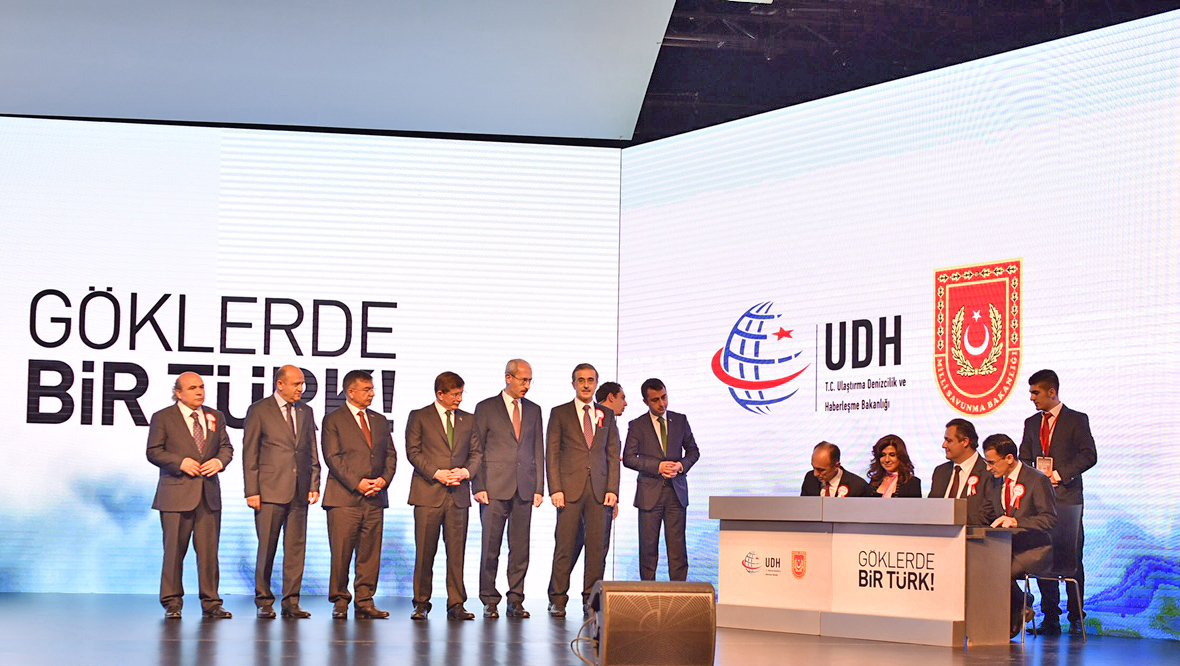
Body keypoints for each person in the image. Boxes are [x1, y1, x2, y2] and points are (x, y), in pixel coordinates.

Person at [146, 372, 234, 619]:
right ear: (179, 393)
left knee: (208, 553)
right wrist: (179, 462)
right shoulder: (163, 417)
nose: (199, 392)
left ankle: (212, 602)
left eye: (202, 387)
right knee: (174, 551)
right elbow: (153, 451)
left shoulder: (215, 416)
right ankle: (172, 603)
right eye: (193, 388)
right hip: (176, 495)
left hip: (208, 495)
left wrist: (219, 461)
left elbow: (226, 447)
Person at [1017, 369, 1097, 636]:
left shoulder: (1076, 419)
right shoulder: (1031, 423)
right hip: (1040, 503)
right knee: (1042, 558)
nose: (1031, 398)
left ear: (1052, 392)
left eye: (1035, 392)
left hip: (1067, 500)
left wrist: (1059, 474)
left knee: (1072, 558)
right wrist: (1034, 478)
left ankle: (1076, 616)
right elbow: (1023, 457)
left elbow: (1089, 455)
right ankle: (1050, 618)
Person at [242, 365, 321, 619]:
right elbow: (250, 453)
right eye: (296, 384)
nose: (301, 388)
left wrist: (314, 483)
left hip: (299, 491)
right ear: (280, 384)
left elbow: (311, 450)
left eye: (302, 384)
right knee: (267, 547)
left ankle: (291, 602)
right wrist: (252, 490)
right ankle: (264, 600)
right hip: (269, 491)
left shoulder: (306, 411)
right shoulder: (259, 410)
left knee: (296, 548)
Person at [321, 370, 398, 619]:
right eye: (367, 389)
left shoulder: (378, 420)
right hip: (344, 498)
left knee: (370, 552)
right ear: (351, 392)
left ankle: (364, 599)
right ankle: (340, 600)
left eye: (372, 389)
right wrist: (358, 483)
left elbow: (390, 455)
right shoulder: (333, 420)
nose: (373, 394)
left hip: (375, 497)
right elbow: (333, 458)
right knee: (341, 551)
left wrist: (383, 480)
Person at [406, 371, 482, 621]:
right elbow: (413, 452)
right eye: (455, 394)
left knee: (456, 552)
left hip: (458, 494)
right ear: (440, 394)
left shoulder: (469, 420)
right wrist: (437, 473)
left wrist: (466, 472)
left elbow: (476, 453)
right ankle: (421, 603)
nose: (459, 399)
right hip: (428, 493)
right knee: (425, 552)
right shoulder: (419, 416)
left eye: (461, 394)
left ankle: (456, 603)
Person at [546, 363, 620, 618]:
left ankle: (592, 599)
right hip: (568, 490)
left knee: (597, 548)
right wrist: (555, 488)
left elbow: (612, 453)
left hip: (599, 491)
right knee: (565, 546)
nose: (586, 384)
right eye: (581, 380)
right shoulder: (560, 413)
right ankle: (557, 598)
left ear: (596, 383)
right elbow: (552, 454)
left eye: (590, 380)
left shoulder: (606, 415)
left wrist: (613, 489)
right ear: (574, 384)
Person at [472, 359, 545, 619]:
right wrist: (477, 485)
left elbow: (538, 449)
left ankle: (516, 599)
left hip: (524, 488)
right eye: (523, 380)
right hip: (492, 488)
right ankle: (489, 599)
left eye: (529, 380)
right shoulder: (486, 407)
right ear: (508, 378)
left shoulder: (534, 410)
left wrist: (539, 487)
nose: (527, 385)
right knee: (491, 547)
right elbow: (476, 449)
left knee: (520, 548)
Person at [977, 434, 1057, 639]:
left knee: (997, 568)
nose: (988, 468)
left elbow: (1049, 520)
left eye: (992, 463)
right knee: (976, 563)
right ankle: (1020, 603)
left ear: (1010, 458)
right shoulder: (994, 482)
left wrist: (1016, 522)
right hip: (1004, 547)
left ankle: (1013, 615)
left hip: (1035, 549)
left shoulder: (1037, 480)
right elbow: (987, 513)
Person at [623, 378, 700, 580]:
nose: (662, 403)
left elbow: (693, 451)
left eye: (664, 397)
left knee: (677, 549)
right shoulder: (637, 425)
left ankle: (679, 595)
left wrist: (681, 465)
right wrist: (657, 467)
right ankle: (647, 595)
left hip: (676, 493)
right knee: (648, 549)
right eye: (655, 400)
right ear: (646, 401)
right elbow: (629, 458)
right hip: (649, 494)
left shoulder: (680, 420)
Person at [928, 418, 989, 520]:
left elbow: (988, 515)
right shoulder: (940, 472)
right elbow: (930, 509)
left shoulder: (988, 471)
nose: (944, 445)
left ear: (965, 442)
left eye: (949, 441)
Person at [800, 442, 870, 497]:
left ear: (837, 466)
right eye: (813, 467)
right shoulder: (810, 479)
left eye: (821, 470)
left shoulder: (857, 486)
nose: (815, 474)